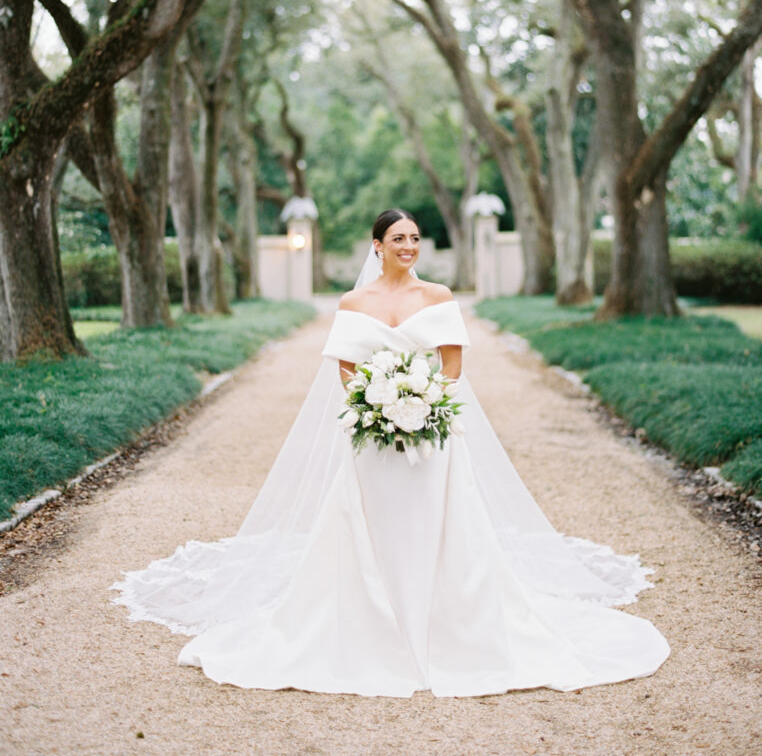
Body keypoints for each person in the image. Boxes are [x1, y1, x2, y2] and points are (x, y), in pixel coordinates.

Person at [113, 208, 669, 697]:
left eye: (414, 238)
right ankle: (371, 627)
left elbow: (451, 366)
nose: (408, 247)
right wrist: (376, 409)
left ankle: (450, 628)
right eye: (397, 239)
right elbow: (346, 370)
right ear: (376, 247)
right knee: (372, 526)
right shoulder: (355, 301)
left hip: (433, 432)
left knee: (442, 522)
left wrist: (428, 403)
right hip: (372, 436)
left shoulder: (438, 297)